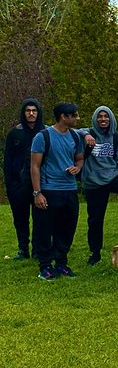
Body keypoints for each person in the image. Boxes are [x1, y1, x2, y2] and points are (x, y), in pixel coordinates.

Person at [30, 102, 84, 280]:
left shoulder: (75, 137)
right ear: (63, 116)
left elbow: (80, 159)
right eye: (74, 115)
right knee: (44, 229)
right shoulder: (43, 137)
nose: (77, 118)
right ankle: (45, 266)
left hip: (69, 190)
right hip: (49, 189)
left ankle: (61, 263)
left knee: (67, 229)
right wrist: (38, 193)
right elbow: (35, 166)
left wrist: (77, 168)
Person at [79, 105, 118, 265]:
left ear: (111, 118)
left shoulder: (115, 137)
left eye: (106, 116)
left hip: (113, 177)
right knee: (95, 219)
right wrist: (85, 135)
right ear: (95, 119)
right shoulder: (88, 134)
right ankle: (95, 253)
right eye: (100, 116)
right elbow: (72, 131)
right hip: (93, 182)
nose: (103, 119)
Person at [4, 97, 43, 260]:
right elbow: (7, 161)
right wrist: (10, 184)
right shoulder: (15, 133)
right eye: (28, 111)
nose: (31, 113)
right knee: (20, 219)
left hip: (39, 184)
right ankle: (23, 249)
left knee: (39, 219)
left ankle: (37, 250)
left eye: (34, 110)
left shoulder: (45, 132)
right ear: (23, 113)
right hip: (18, 185)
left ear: (38, 113)